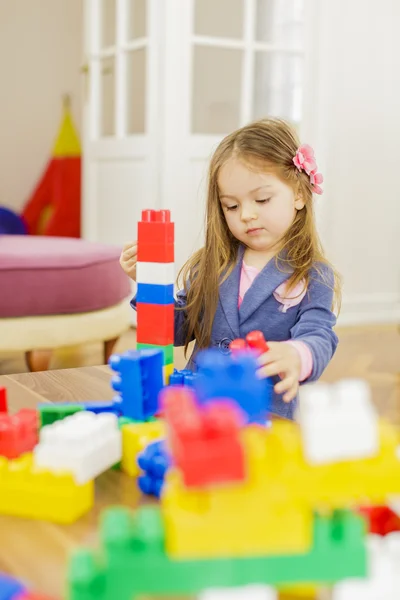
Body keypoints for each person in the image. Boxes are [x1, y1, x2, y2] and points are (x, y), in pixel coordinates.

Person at [120, 118, 341, 419]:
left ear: (299, 195)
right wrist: (148, 284)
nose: (247, 215)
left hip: (264, 415)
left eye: (262, 199)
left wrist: (296, 354)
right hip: (196, 408)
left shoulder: (313, 275)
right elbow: (177, 330)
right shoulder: (210, 264)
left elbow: (319, 334)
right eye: (232, 206)